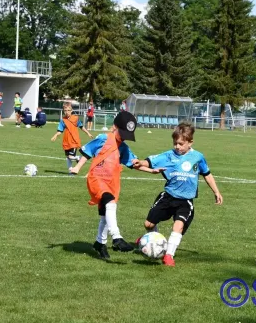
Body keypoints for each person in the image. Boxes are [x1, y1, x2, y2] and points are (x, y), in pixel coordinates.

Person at [69, 111, 164, 259]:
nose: (124, 137)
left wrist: (151, 170)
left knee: (105, 214)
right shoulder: (103, 138)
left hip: (112, 182)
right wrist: (77, 168)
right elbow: (87, 152)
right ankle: (117, 238)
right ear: (115, 127)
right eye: (123, 133)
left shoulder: (123, 148)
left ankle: (100, 243)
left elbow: (134, 164)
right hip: (96, 178)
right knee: (109, 203)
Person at [133, 122, 223, 267]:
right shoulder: (168, 155)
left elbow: (207, 174)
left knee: (178, 226)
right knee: (148, 224)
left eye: (181, 144)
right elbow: (149, 161)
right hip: (168, 197)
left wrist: (216, 191)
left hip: (185, 201)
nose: (177, 147)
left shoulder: (198, 157)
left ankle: (168, 255)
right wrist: (140, 162)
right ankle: (150, 238)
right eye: (175, 143)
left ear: (190, 142)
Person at [51, 102, 93, 171]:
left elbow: (81, 127)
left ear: (71, 110)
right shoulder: (63, 120)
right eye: (65, 111)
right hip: (66, 141)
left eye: (68, 110)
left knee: (70, 156)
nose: (67, 112)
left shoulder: (75, 118)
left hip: (74, 140)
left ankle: (79, 158)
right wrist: (55, 135)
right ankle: (70, 170)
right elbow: (60, 130)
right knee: (68, 157)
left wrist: (88, 133)